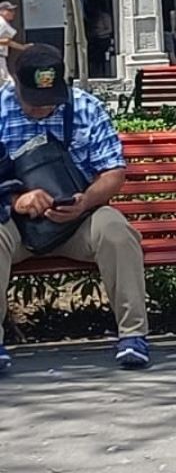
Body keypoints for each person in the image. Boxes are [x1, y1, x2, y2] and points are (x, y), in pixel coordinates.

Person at [0, 44, 149, 372]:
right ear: (17, 86)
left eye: (50, 100)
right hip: (14, 223)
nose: (42, 110)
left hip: (78, 220)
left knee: (116, 230)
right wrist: (17, 200)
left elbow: (114, 172)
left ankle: (133, 336)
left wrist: (86, 201)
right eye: (34, 103)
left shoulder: (86, 107)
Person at [0, 0, 17, 87]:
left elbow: (8, 42)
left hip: (2, 57)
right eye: (9, 10)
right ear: (1, 11)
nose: (12, 12)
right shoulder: (1, 23)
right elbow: (7, 41)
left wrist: (23, 47)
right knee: (9, 85)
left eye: (12, 10)